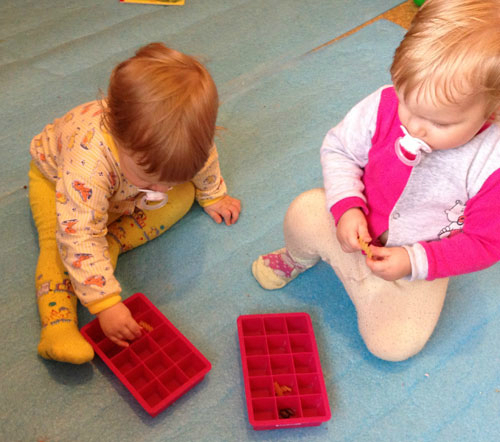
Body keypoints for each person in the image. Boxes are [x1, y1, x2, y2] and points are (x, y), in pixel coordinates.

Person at [252, 0, 500, 361]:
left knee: (394, 346)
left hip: (419, 262)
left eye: (440, 123)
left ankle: (371, 287)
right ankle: (299, 258)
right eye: (407, 103)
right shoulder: (382, 105)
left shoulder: (491, 165)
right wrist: (347, 207)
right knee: (304, 211)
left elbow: (484, 243)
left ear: (492, 110)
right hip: (357, 229)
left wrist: (414, 261)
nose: (414, 127)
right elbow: (339, 150)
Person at [29, 43, 241, 364]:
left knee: (184, 194)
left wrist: (213, 194)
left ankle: (111, 242)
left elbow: (204, 160)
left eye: (168, 179)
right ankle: (57, 328)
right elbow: (79, 234)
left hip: (118, 191)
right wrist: (105, 304)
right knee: (60, 246)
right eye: (152, 179)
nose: (162, 189)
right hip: (56, 182)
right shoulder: (88, 164)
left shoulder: (187, 138)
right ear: (120, 141)